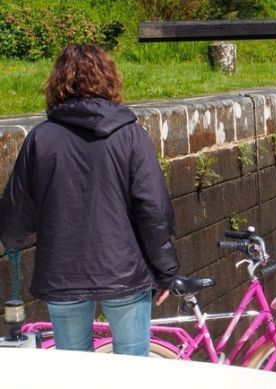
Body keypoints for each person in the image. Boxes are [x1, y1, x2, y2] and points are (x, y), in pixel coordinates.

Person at [0, 44, 179, 356]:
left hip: (63, 271)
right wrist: (166, 270)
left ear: (58, 83)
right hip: (124, 270)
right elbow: (152, 210)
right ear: (109, 79)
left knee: (75, 373)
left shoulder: (41, 138)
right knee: (133, 372)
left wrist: (10, 241)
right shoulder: (130, 135)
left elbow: (17, 210)